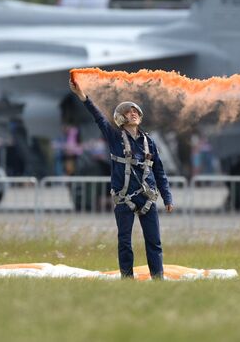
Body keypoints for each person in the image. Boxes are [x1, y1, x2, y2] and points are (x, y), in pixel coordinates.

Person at [69, 77, 174, 279]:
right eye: (128, 112)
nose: (133, 113)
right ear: (121, 118)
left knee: (154, 240)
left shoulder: (149, 142)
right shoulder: (114, 137)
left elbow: (159, 171)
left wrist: (167, 198)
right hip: (124, 198)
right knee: (124, 241)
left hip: (147, 198)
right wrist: (83, 97)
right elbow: (98, 117)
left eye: (135, 111)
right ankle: (127, 279)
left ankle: (158, 278)